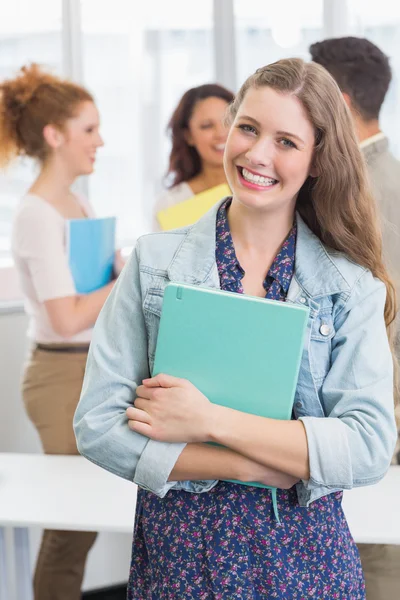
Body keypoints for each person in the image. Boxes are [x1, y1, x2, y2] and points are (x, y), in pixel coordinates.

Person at [74, 58, 397, 599]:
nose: (257, 154)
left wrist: (207, 419)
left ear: (317, 160)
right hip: (180, 561)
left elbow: (367, 447)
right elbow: (98, 425)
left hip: (306, 567)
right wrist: (255, 464)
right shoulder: (153, 263)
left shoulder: (351, 285)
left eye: (287, 142)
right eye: (247, 128)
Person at [0, 64, 121, 600]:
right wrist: (123, 282)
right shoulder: (35, 214)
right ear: (55, 136)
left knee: (84, 519)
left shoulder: (77, 203)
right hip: (58, 376)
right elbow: (68, 317)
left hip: (88, 369)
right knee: (72, 526)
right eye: (89, 129)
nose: (101, 140)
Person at [310, 37, 400, 600]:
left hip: (369, 407)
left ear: (337, 104)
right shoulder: (386, 174)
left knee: (374, 550)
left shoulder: (357, 190)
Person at [153, 83, 234, 230]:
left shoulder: (262, 189)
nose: (221, 133)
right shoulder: (172, 204)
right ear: (189, 135)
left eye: (228, 121)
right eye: (207, 126)